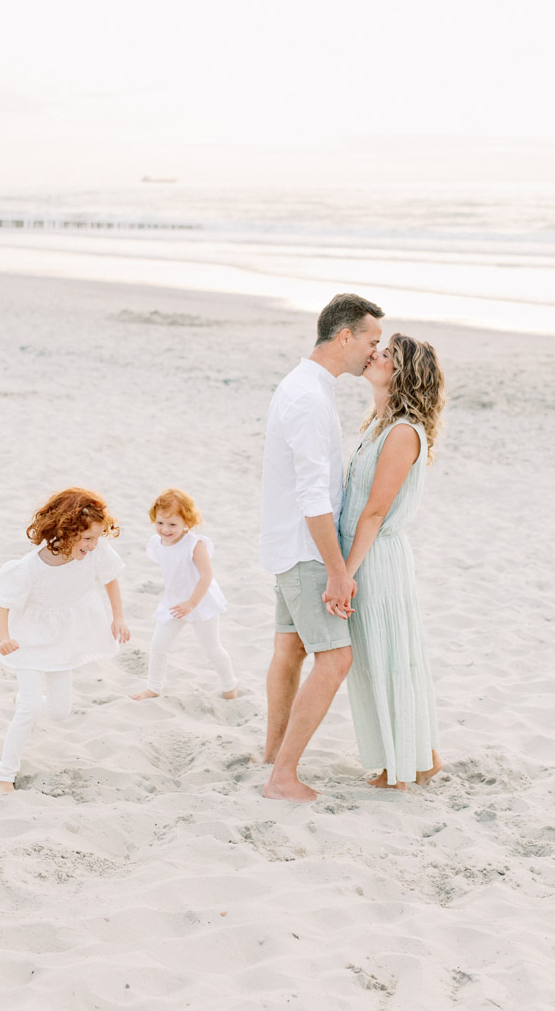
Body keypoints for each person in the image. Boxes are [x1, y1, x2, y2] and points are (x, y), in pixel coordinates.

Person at [260, 292, 385, 802]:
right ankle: (282, 776)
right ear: (345, 336)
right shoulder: (310, 398)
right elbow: (314, 497)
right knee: (334, 660)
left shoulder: (303, 384)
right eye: (372, 341)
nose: (375, 353)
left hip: (285, 543)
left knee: (288, 650)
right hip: (306, 550)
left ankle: (272, 754)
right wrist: (337, 570)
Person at [339, 334, 445, 789]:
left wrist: (345, 572)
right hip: (365, 551)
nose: (373, 356)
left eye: (384, 355)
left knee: (386, 657)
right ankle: (420, 758)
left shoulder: (403, 432)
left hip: (376, 557)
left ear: (400, 373)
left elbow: (376, 511)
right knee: (381, 656)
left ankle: (398, 768)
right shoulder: (379, 423)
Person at [0, 487, 130, 793]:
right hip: (26, 640)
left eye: (97, 537)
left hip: (65, 637)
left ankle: (25, 699)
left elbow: (110, 579)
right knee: (30, 710)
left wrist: (118, 616)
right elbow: (3, 603)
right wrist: (4, 637)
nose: (93, 545)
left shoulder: (95, 551)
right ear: (64, 532)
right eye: (87, 539)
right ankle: (4, 774)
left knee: (59, 710)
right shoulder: (29, 568)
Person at [131, 487, 237, 702]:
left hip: (201, 601)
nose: (165, 529)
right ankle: (153, 687)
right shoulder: (157, 543)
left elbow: (206, 575)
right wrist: (182, 602)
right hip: (173, 603)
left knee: (212, 649)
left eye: (172, 525)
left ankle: (230, 685)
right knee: (158, 645)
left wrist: (192, 603)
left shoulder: (195, 544)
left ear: (187, 522)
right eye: (160, 523)